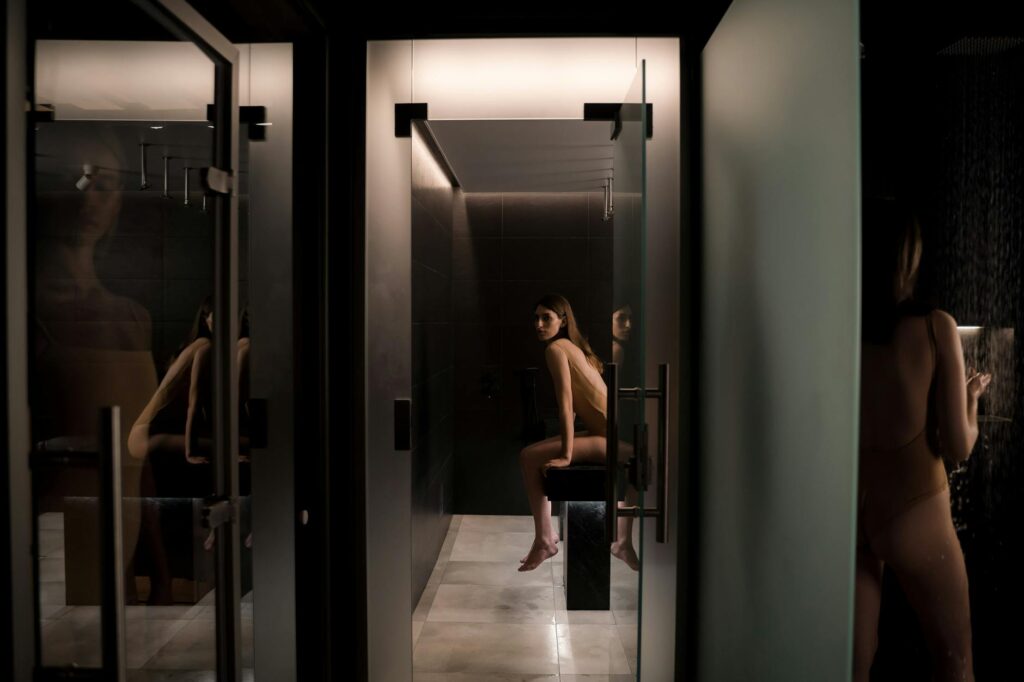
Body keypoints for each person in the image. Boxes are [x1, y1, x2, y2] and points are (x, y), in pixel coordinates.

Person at [854, 198, 991, 682]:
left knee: (853, 665)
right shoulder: (936, 327)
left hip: (853, 514)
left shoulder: (843, 326)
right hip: (914, 512)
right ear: (910, 257)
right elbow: (958, 446)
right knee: (955, 663)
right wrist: (972, 400)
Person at [517, 293, 639, 572]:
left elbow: (565, 405)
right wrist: (564, 446)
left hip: (610, 440)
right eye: (535, 318)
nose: (538, 324)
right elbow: (574, 410)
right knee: (532, 454)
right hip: (608, 434)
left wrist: (566, 456)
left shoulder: (556, 349)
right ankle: (616, 541)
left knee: (527, 457)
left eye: (546, 318)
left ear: (562, 320)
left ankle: (545, 539)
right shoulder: (571, 346)